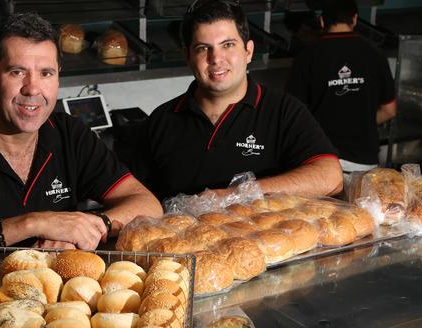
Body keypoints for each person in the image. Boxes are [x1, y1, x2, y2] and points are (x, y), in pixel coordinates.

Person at [0, 12, 162, 250]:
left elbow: (147, 204)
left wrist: (94, 224)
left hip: (58, 295)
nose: (32, 89)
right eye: (17, 72)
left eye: (46, 73)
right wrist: (31, 224)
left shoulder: (69, 134)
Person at [132, 0, 343, 201]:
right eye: (203, 48)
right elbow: (137, 198)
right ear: (187, 56)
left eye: (228, 45)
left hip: (261, 238)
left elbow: (330, 177)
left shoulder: (283, 112)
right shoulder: (162, 120)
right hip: (180, 238)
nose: (216, 58)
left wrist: (238, 194)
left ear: (248, 51)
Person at [286, 0, 396, 174]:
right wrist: (361, 122)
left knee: (322, 203)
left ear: (322, 21)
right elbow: (389, 110)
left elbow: (292, 115)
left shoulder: (306, 57)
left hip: (321, 160)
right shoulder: (375, 54)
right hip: (364, 161)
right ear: (354, 19)